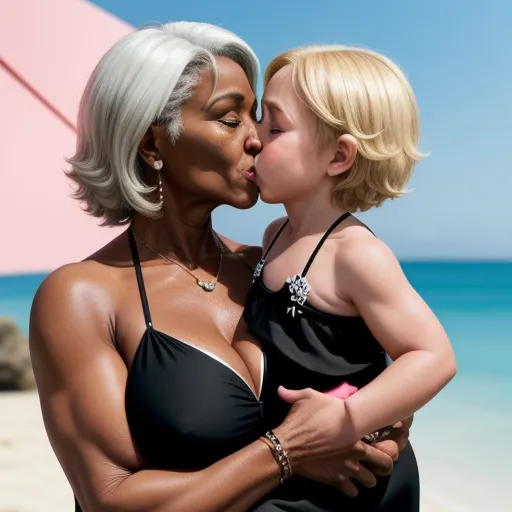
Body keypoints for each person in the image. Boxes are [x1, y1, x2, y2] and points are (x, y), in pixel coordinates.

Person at [29, 23, 412, 512]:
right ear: (152, 144)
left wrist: (383, 426)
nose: (257, 139)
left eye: (258, 117)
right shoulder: (81, 297)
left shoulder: (274, 266)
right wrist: (287, 452)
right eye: (230, 120)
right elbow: (110, 499)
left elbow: (380, 381)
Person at [244, 45, 457, 510]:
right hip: (296, 460)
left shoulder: (355, 253)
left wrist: (347, 419)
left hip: (355, 479)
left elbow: (433, 355)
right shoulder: (273, 233)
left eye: (275, 127)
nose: (254, 138)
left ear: (338, 156)